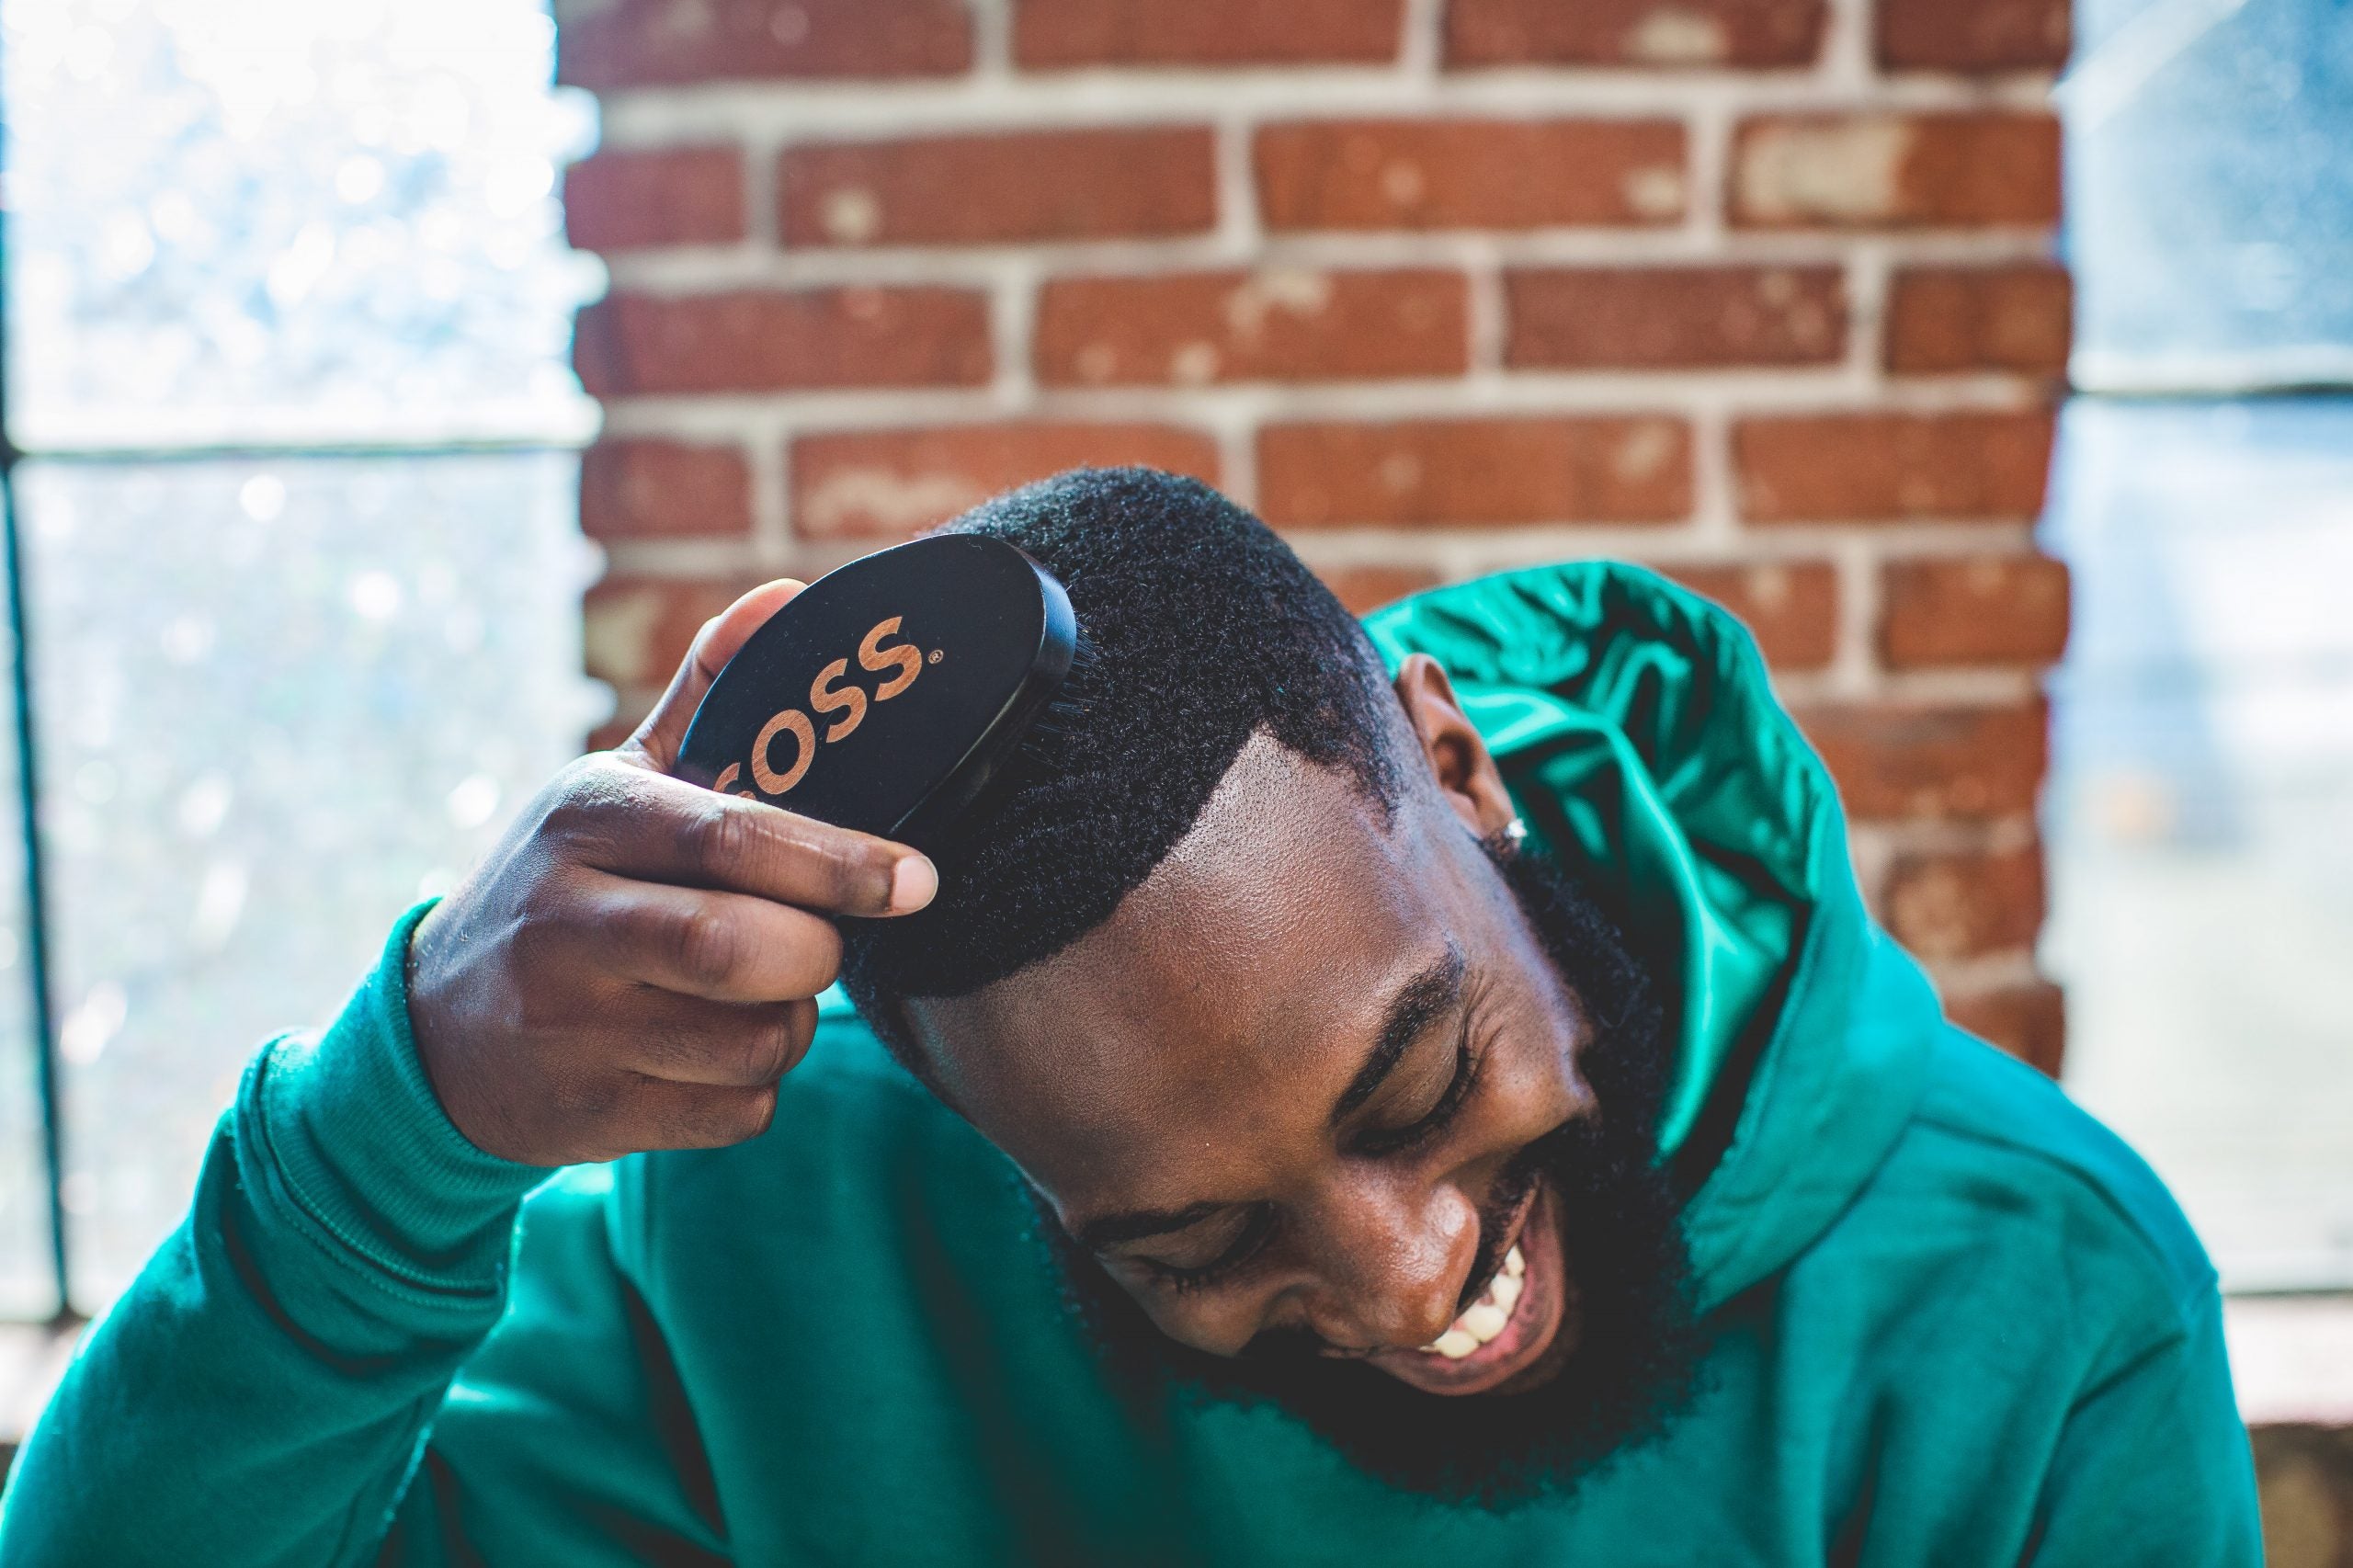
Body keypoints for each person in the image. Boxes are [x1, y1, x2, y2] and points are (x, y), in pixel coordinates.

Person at [0, 470, 2258, 1564]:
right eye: (1184, 1244)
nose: (1400, 1276)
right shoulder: (782, 1212)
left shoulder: (2032, 1297)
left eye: (1421, 1077)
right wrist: (398, 1127)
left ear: (1448, 761)